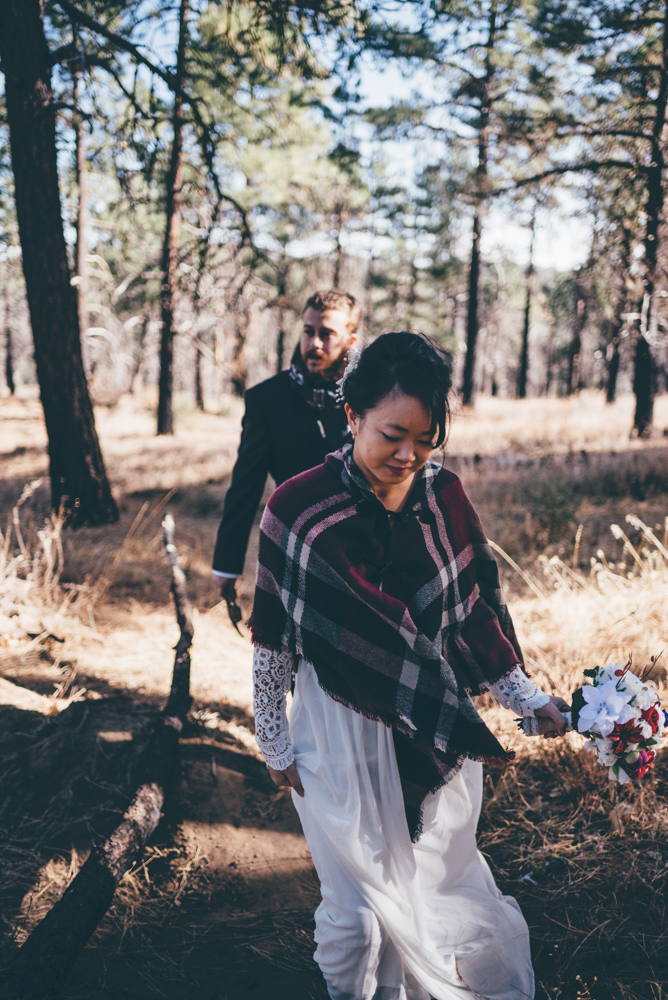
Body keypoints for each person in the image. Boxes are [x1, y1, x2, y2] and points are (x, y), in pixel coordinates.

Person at [250, 332, 570, 1000]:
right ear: (352, 417)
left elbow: (474, 612)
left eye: (427, 440)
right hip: (338, 730)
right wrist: (271, 730)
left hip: (431, 718)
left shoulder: (443, 497)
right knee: (360, 918)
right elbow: (274, 634)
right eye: (394, 434)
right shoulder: (297, 508)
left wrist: (524, 696)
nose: (409, 455)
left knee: (436, 887)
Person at [212, 289, 362, 613]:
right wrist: (226, 564)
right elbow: (245, 487)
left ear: (350, 341)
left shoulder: (369, 398)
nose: (315, 343)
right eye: (308, 332)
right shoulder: (268, 400)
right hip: (298, 553)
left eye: (327, 334)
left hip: (365, 554)